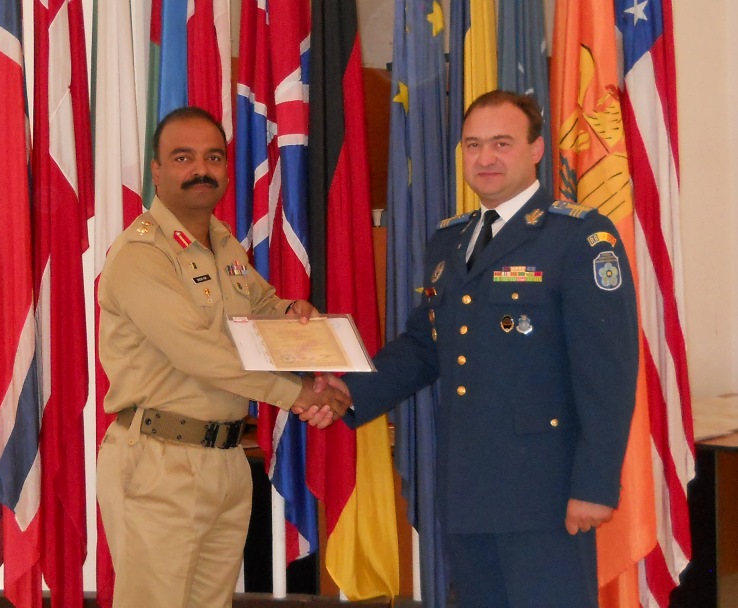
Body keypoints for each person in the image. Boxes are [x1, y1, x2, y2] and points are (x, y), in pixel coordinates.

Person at [306, 90, 639, 607]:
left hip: (545, 492)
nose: (485, 158)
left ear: (536, 149)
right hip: (468, 486)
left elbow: (608, 373)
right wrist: (350, 392)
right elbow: (425, 345)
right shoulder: (451, 240)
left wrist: (594, 484)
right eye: (473, 145)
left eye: (502, 143)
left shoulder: (578, 236)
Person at [96, 106, 349, 608]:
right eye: (183, 158)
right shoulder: (141, 255)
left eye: (213, 158)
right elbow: (201, 355)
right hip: (161, 461)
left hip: (227, 459)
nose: (200, 170)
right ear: (156, 171)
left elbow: (261, 306)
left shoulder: (223, 244)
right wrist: (299, 393)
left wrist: (292, 315)